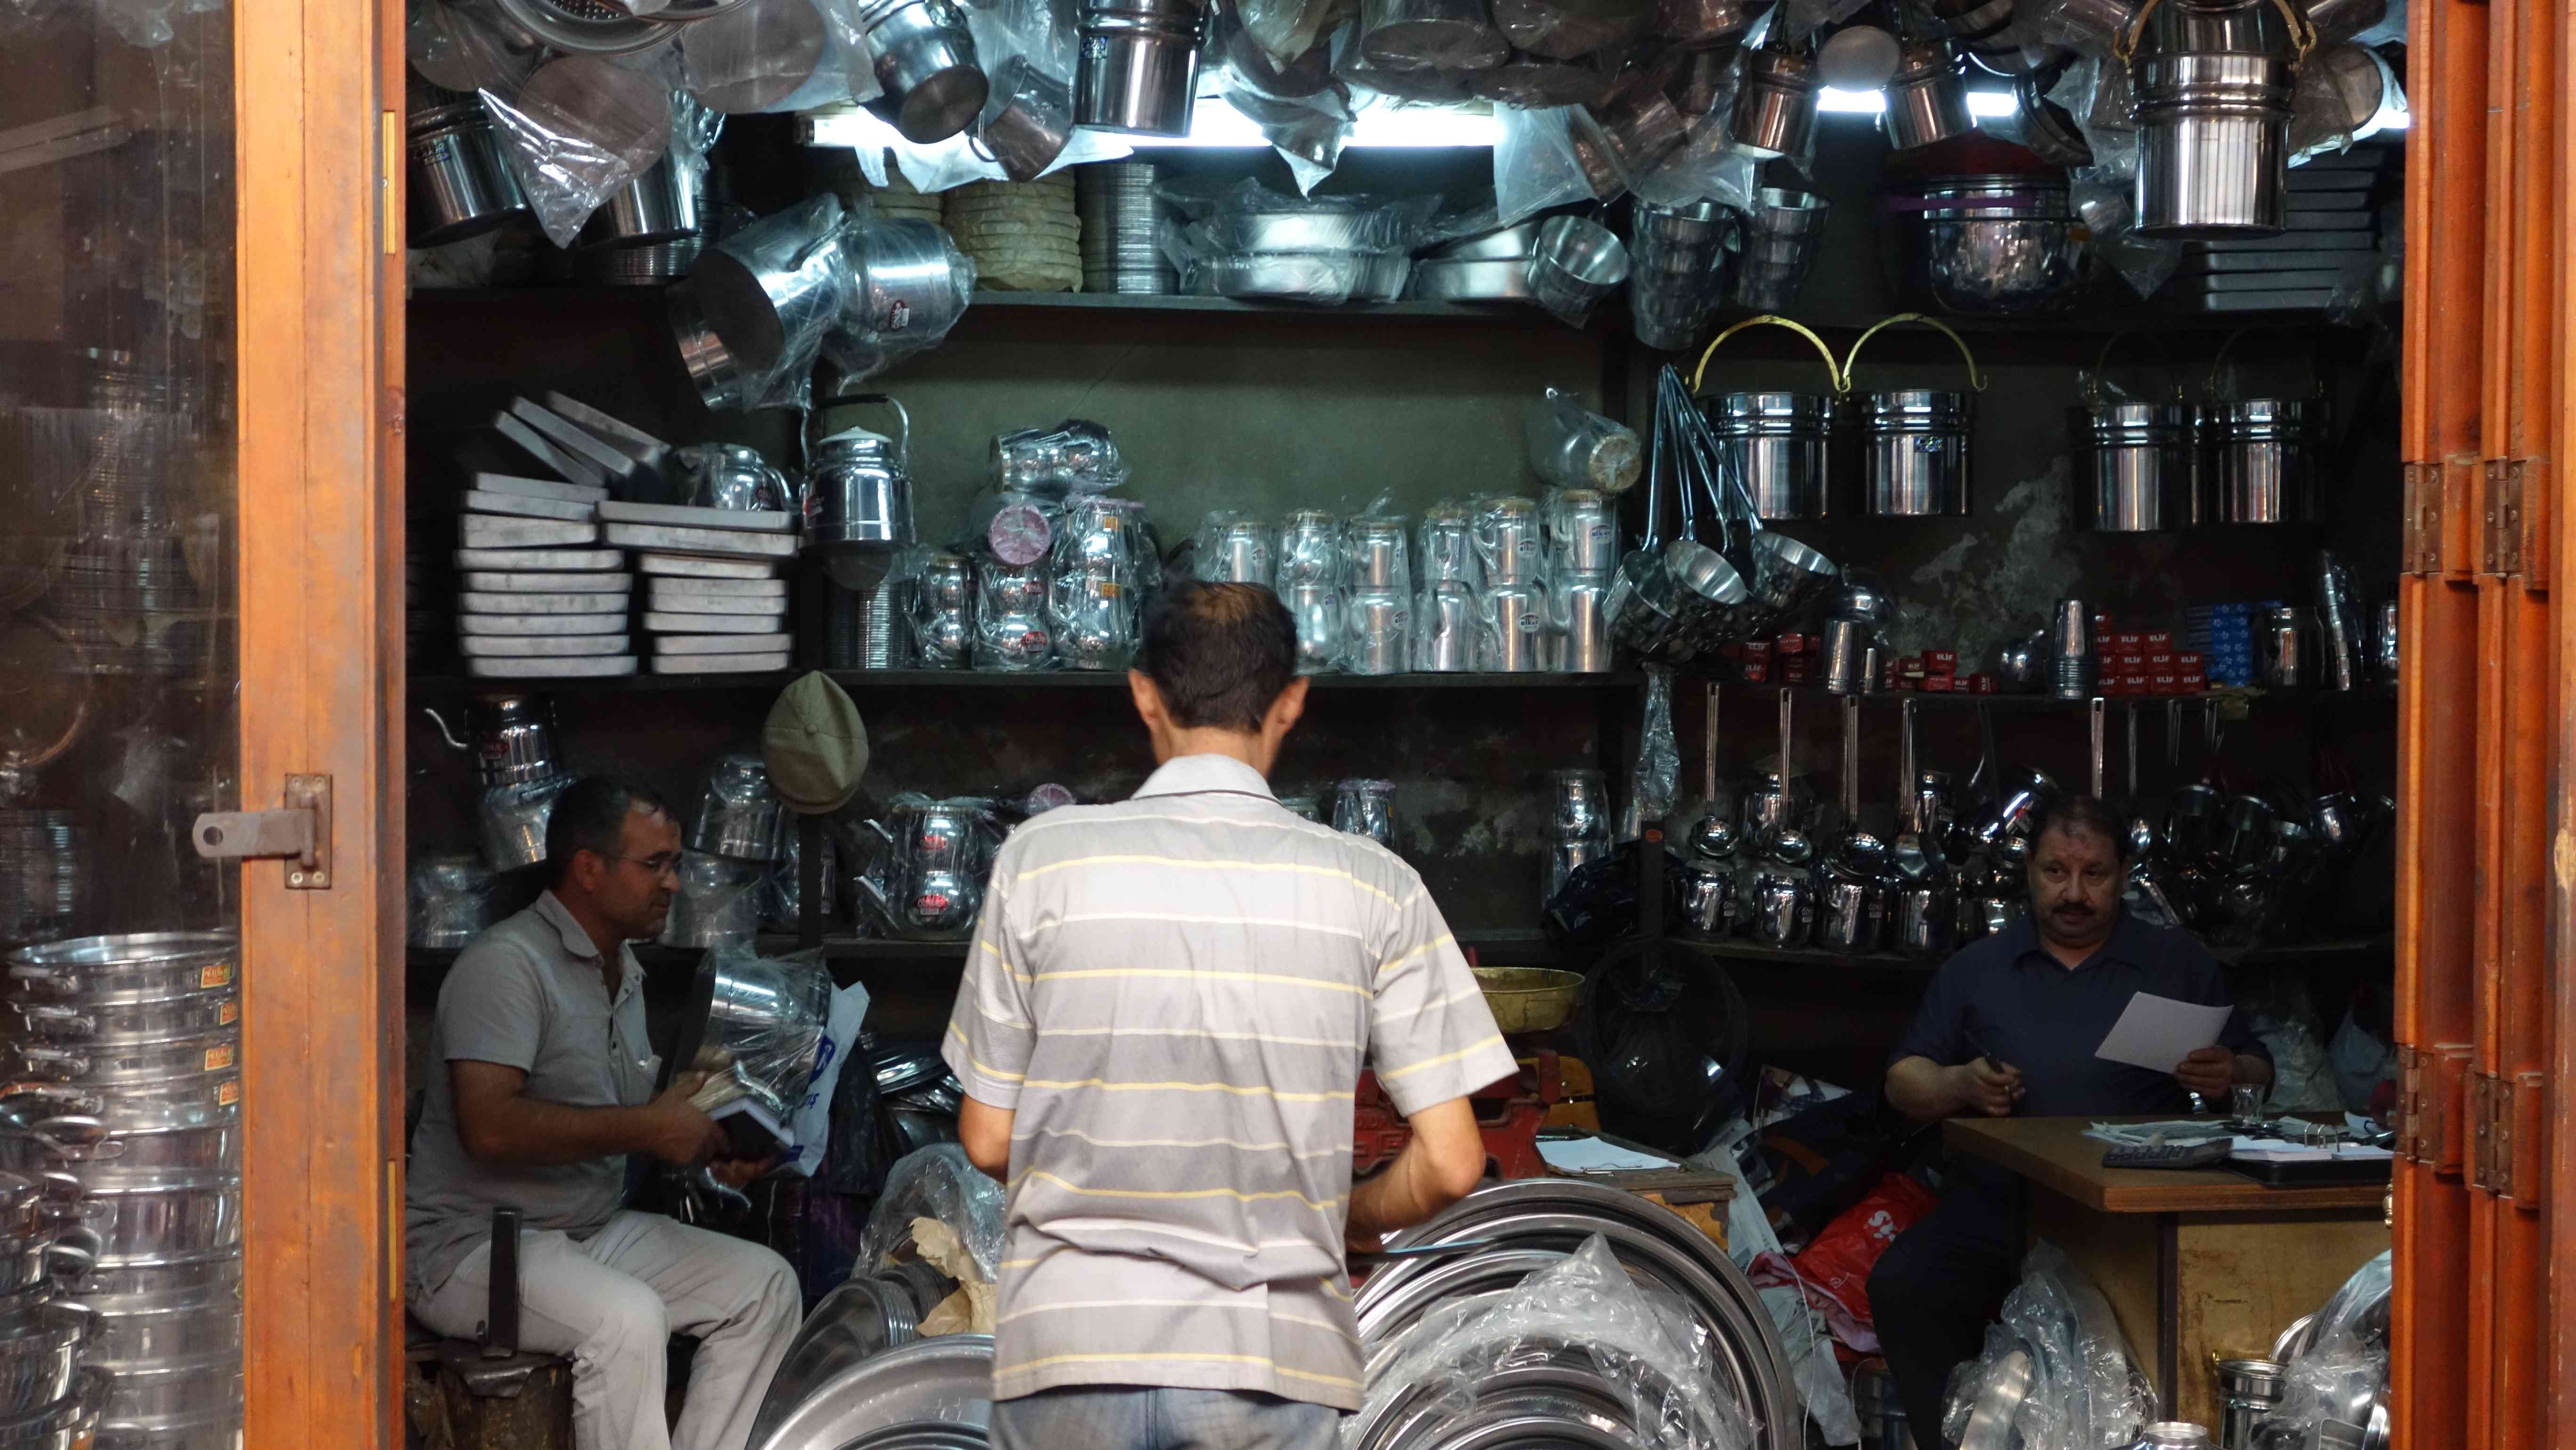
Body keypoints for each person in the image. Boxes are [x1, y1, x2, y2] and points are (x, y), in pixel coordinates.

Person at [942, 580, 1518, 1450]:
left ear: (1144, 695)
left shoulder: (1041, 861)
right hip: (1270, 1359)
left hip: (1069, 1349)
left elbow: (988, 1140)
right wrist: (1347, 1214)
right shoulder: (1375, 886)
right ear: (1290, 704)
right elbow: (1451, 1162)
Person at [1866, 795, 2274, 1450]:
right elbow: (1902, 1081)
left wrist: (2230, 1073)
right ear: (2029, 870)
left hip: (2129, 1218)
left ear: (2124, 875)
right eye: (2056, 872)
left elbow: (2258, 1069)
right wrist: (1960, 1083)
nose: (2075, 893)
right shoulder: (1978, 968)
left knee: (2167, 1323)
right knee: (1904, 1286)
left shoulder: (2177, 963)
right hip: (1997, 1207)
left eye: (2095, 874)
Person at [406, 777, 801, 1450]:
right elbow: (489, 1126)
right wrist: (650, 1127)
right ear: (588, 869)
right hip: (473, 1246)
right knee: (627, 1319)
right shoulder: (506, 965)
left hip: (585, 1229)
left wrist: (707, 1138)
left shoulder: (622, 971)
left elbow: (614, 1120)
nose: (673, 883)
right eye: (654, 865)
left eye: (675, 864)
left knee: (766, 1287)